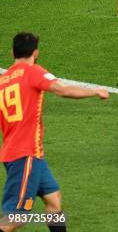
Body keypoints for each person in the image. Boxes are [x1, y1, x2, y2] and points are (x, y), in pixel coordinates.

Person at [0, 33, 109, 232]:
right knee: (15, 218)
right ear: (35, 52)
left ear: (12, 52)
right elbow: (62, 89)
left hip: (24, 153)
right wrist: (95, 91)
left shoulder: (4, 80)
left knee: (53, 200)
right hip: (25, 155)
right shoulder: (33, 71)